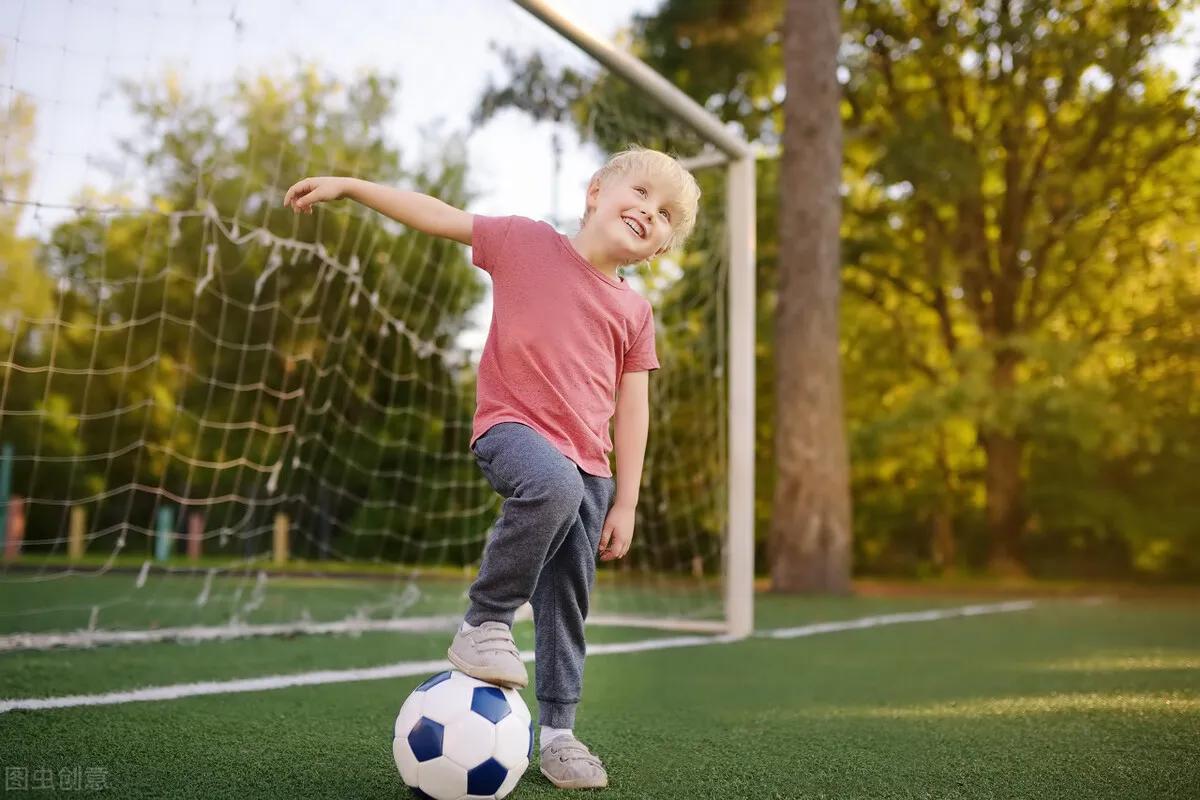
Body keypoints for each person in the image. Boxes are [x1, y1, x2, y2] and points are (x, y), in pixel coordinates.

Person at [283, 144, 700, 790]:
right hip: (511, 431)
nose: (650, 211)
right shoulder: (524, 242)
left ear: (661, 250)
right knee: (551, 483)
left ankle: (559, 735)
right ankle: (485, 621)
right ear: (595, 192)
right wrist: (349, 185)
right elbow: (436, 215)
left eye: (666, 214)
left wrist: (625, 502)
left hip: (592, 472)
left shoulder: (635, 313)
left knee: (567, 602)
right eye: (641, 193)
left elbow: (633, 410)